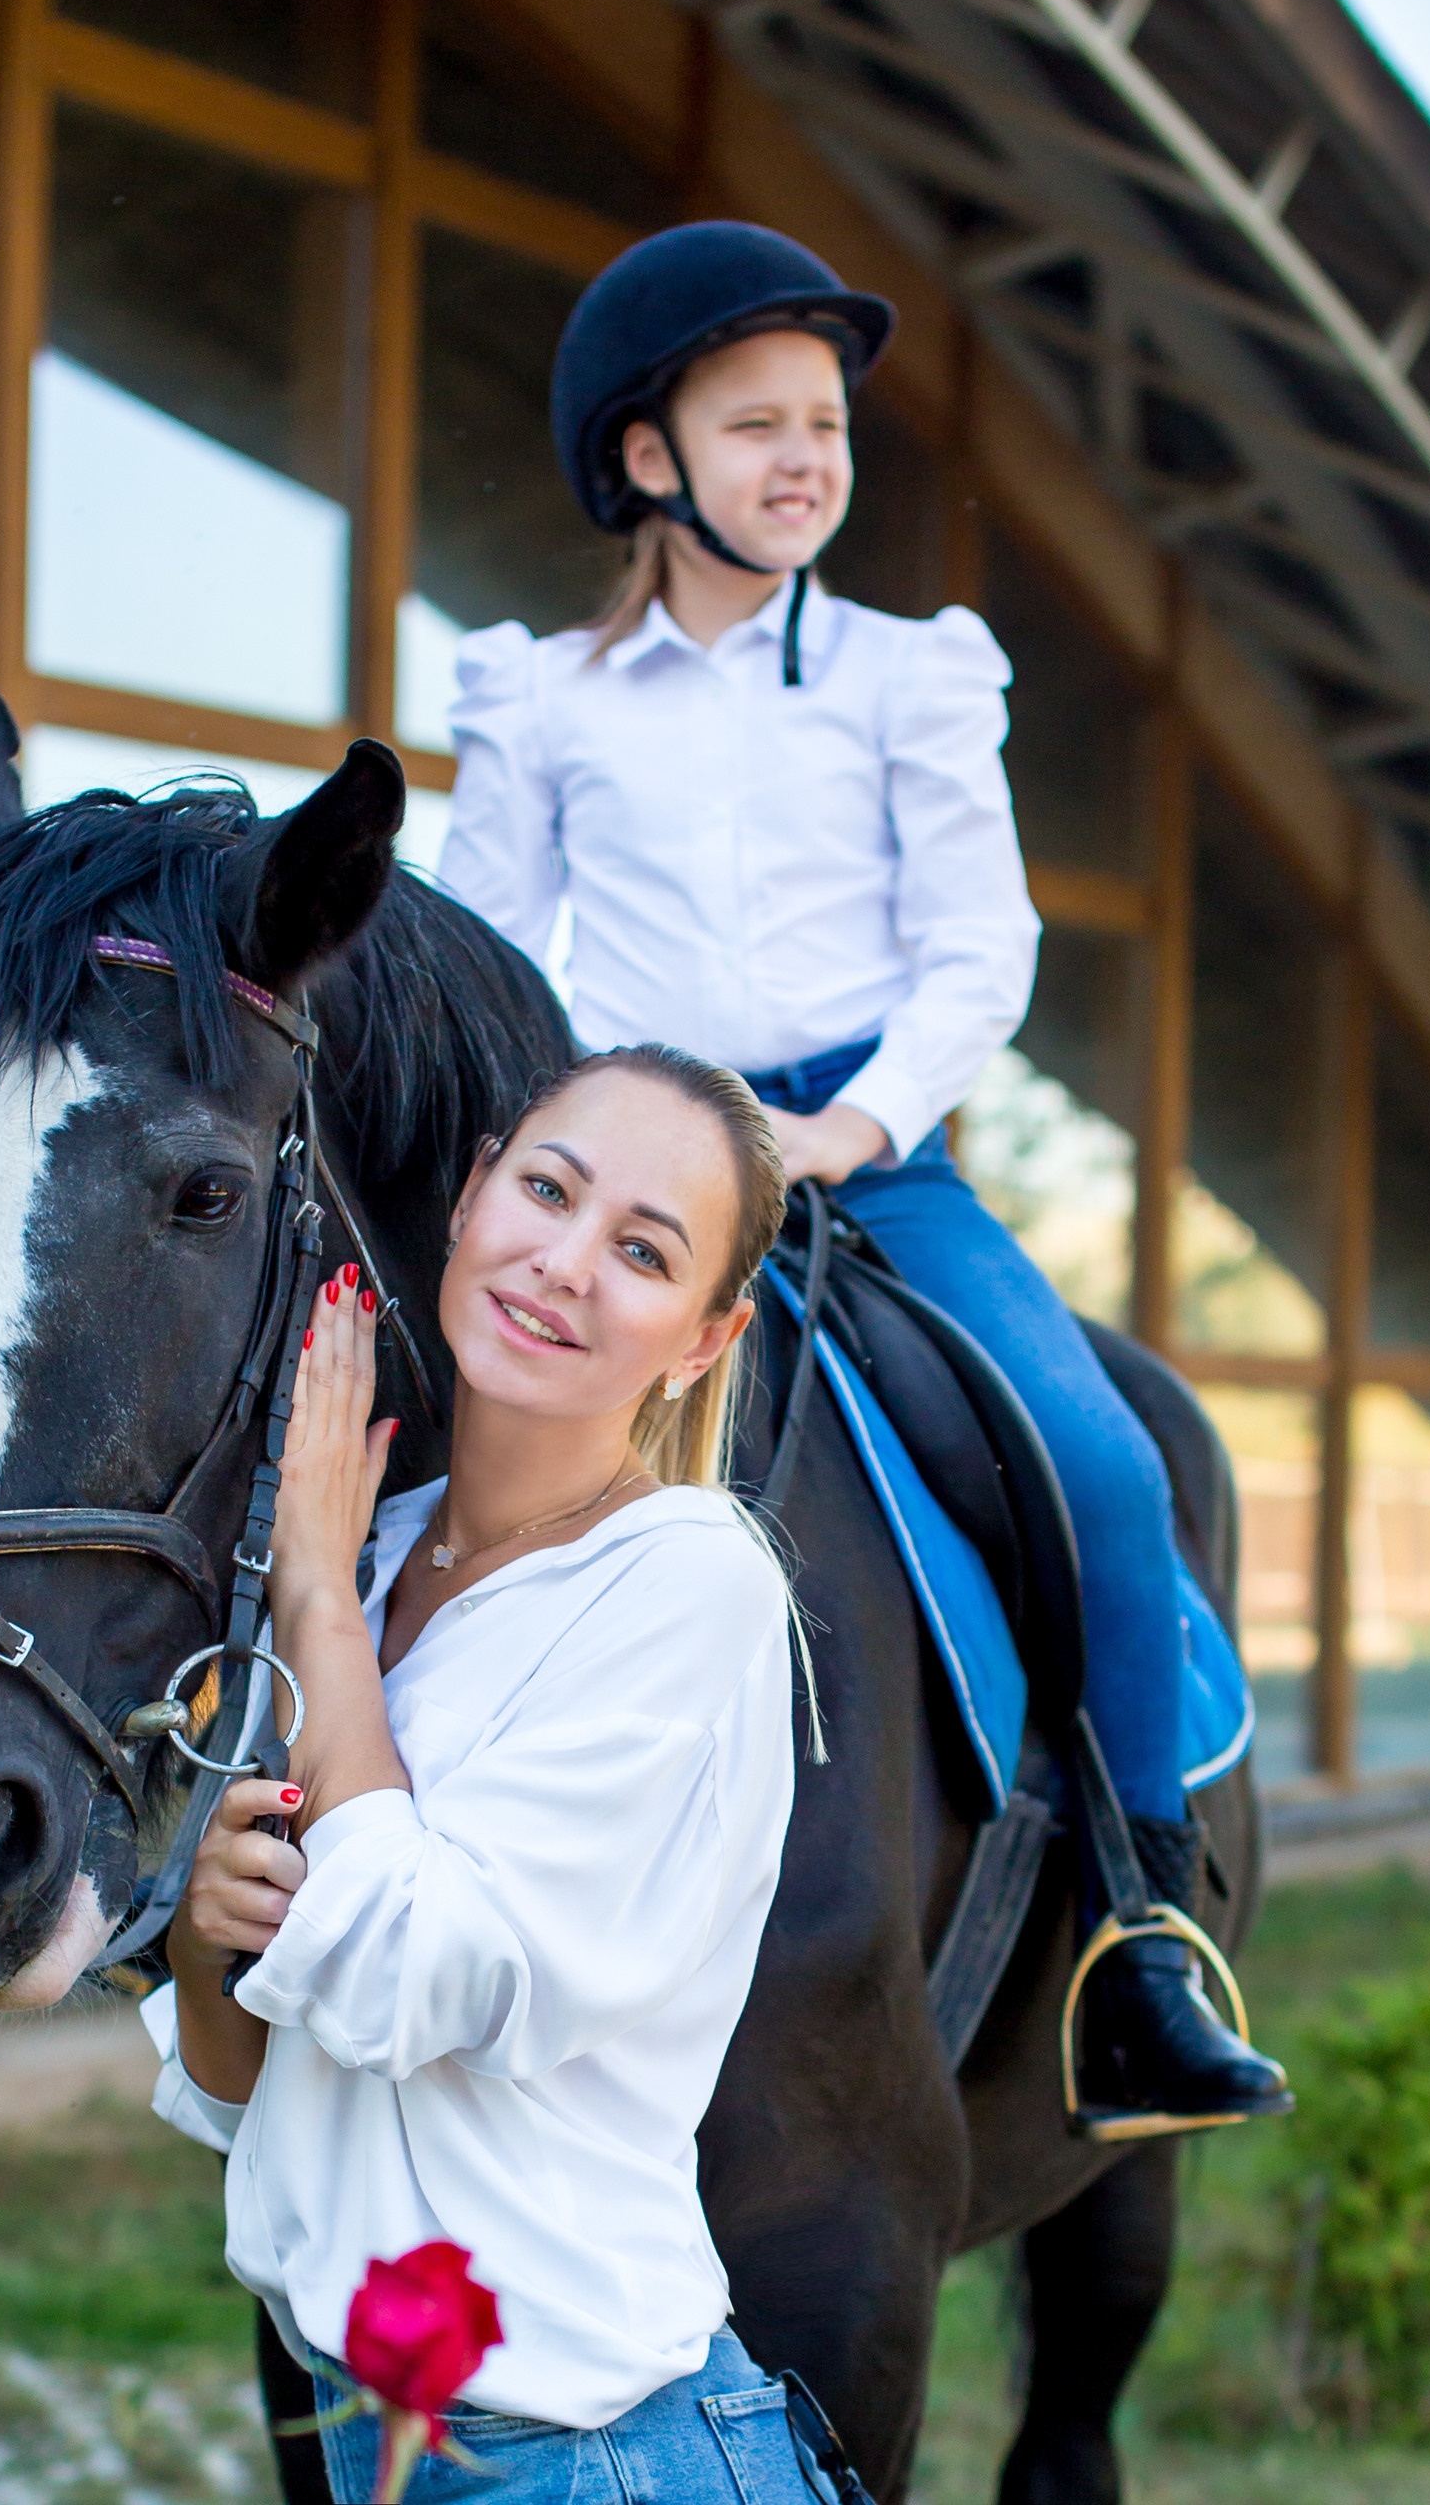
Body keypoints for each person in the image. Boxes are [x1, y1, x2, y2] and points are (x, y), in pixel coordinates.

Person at [437, 219, 1287, 2131]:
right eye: (756, 426)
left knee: (1097, 1459)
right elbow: (494, 947)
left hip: (861, 1156)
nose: (807, 457)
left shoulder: (914, 674)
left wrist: (853, 1124)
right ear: (649, 462)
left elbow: (981, 949)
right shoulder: (539, 697)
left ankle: (1140, 1932)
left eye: (824, 424)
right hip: (634, 1155)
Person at [146, 1044, 836, 2505]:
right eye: (545, 1189)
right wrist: (210, 1926)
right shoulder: (381, 1545)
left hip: (585, 2456)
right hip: (373, 2433)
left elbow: (416, 1979)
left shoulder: (688, 1586)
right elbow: (243, 2092)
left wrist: (317, 1607)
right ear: (469, 1198)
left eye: (641, 1251)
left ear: (702, 1340)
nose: (565, 1262)